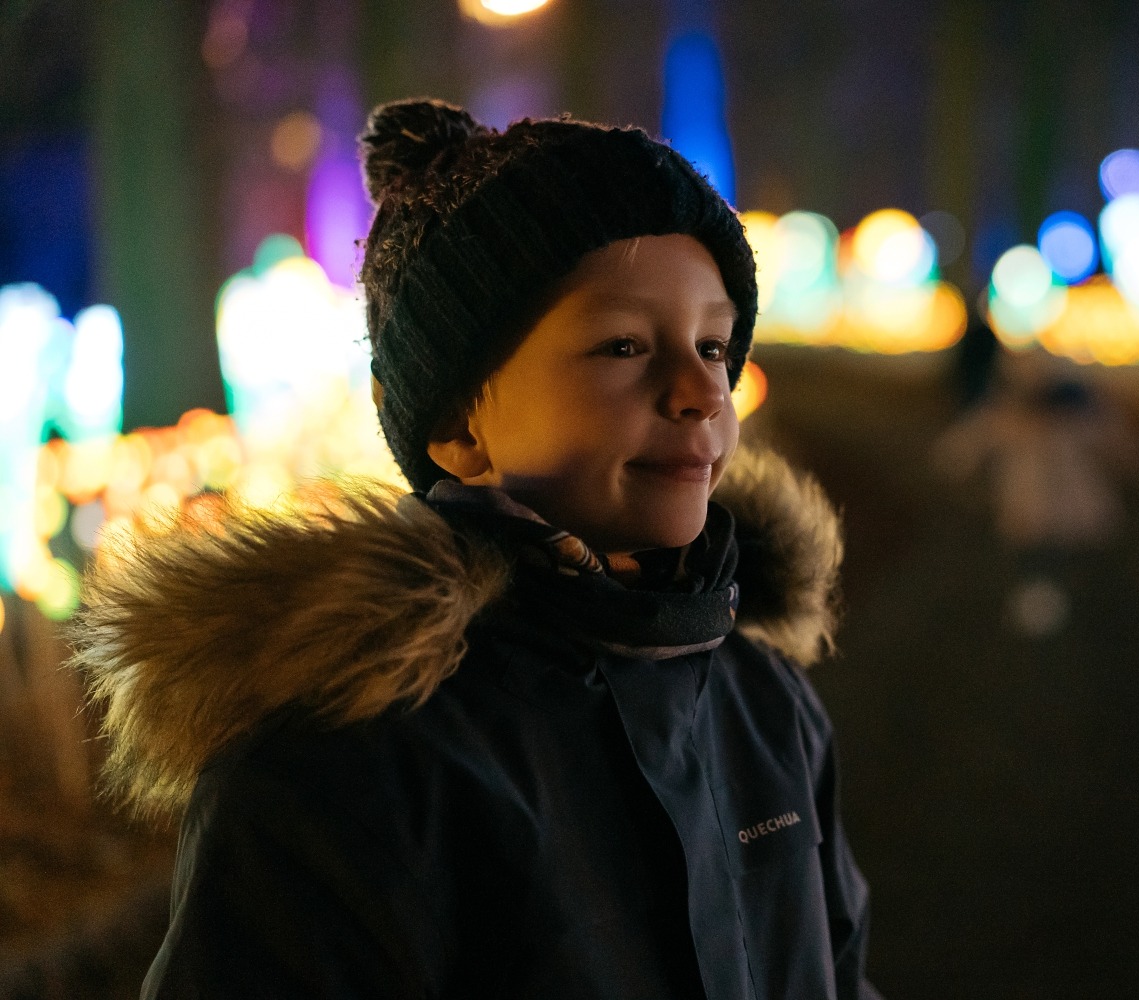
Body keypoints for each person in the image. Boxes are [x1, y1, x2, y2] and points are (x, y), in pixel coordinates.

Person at [71, 99, 879, 999]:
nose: (700, 390)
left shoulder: (764, 704)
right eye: (621, 346)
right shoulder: (347, 767)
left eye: (714, 345)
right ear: (459, 422)